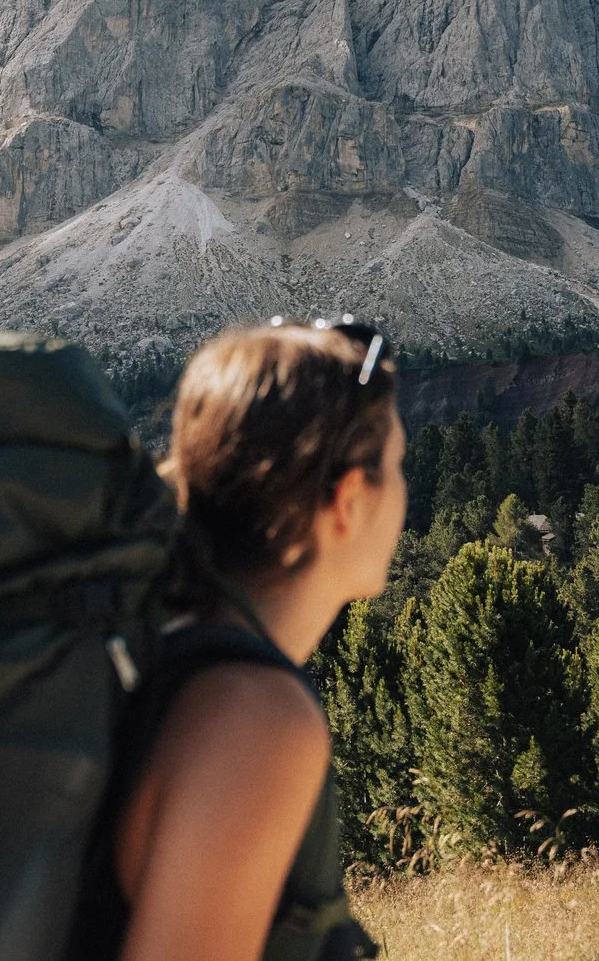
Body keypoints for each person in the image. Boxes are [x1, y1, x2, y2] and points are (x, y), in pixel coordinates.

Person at [72, 320, 406, 961]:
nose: (405, 492)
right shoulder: (256, 720)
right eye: (397, 466)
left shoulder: (184, 653)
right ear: (348, 501)